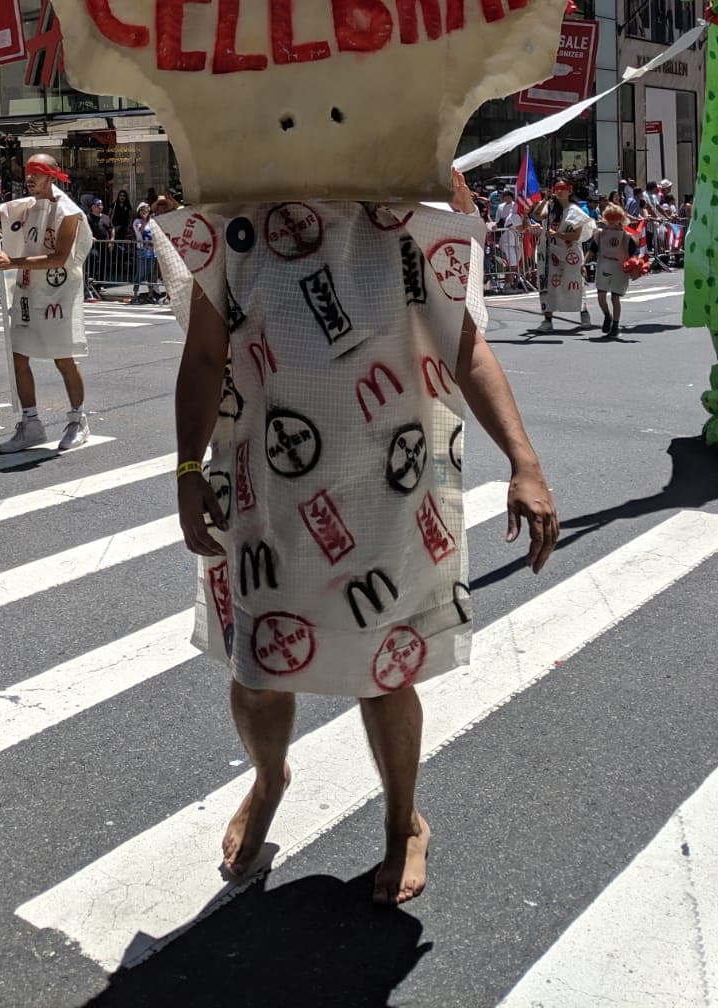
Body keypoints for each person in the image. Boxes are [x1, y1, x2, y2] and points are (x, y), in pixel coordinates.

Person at [160, 173, 558, 905]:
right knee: (257, 670)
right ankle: (270, 776)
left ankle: (404, 821)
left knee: (386, 673)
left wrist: (524, 462)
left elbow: (463, 344)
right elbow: (205, 352)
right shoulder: (235, 215)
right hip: (265, 494)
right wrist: (188, 467)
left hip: (388, 492)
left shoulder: (419, 204)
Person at [0, 150, 95, 453]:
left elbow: (59, 257)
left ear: (53, 175)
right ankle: (31, 424)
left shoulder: (67, 211)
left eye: (38, 172)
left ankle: (78, 420)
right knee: (18, 357)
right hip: (28, 291)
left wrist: (13, 261)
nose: (30, 177)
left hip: (57, 293)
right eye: (28, 171)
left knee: (63, 358)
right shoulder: (27, 205)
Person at [528, 178, 594, 333]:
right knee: (547, 286)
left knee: (575, 284)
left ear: (570, 191)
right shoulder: (550, 207)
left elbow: (576, 236)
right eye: (557, 188)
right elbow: (537, 215)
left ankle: (584, 313)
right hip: (549, 253)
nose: (559, 191)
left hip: (570, 254)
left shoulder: (575, 211)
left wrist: (557, 234)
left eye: (563, 188)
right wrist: (544, 200)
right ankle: (547, 320)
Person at [592, 201, 634, 337]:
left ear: (620, 220)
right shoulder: (600, 234)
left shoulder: (627, 236)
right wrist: (582, 264)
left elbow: (634, 253)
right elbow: (592, 249)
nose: (611, 223)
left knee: (615, 297)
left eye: (614, 219)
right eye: (609, 219)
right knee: (601, 295)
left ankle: (615, 325)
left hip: (619, 267)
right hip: (603, 263)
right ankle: (607, 315)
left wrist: (635, 267)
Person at [132, 201, 164, 303]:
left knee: (151, 274)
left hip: (152, 251)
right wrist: (145, 220)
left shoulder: (152, 221)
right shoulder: (137, 221)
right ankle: (135, 295)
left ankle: (150, 294)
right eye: (142, 210)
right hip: (142, 251)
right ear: (139, 212)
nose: (144, 211)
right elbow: (139, 230)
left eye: (146, 209)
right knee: (140, 274)